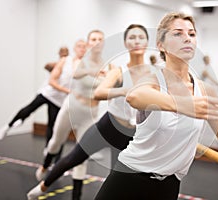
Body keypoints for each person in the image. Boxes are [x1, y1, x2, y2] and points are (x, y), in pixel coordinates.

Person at [94, 12, 218, 200]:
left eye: (191, 34)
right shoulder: (152, 79)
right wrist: (182, 104)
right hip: (129, 176)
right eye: (178, 34)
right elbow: (135, 96)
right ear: (161, 45)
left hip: (169, 185)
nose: (187, 39)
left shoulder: (204, 90)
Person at [27, 24, 154, 200]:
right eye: (132, 37)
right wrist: (122, 91)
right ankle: (43, 186)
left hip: (130, 134)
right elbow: (99, 92)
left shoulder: (153, 74)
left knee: (118, 177)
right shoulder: (118, 71)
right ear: (125, 43)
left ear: (147, 42)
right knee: (74, 157)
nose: (137, 41)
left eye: (141, 37)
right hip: (108, 125)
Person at [34, 30, 105, 200]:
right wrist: (100, 78)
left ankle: (76, 196)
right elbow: (79, 77)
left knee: (82, 156)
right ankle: (45, 166)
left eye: (99, 39)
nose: (96, 42)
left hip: (90, 115)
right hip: (70, 109)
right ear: (88, 43)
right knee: (55, 143)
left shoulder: (107, 65)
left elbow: (106, 87)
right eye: (93, 39)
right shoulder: (79, 62)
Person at [0, 42, 84, 147]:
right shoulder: (65, 61)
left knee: (52, 125)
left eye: (84, 47)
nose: (82, 49)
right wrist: (68, 91)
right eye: (79, 46)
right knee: (29, 109)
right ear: (74, 49)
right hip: (48, 93)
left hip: (58, 100)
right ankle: (8, 126)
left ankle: (48, 149)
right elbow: (51, 80)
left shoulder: (84, 66)